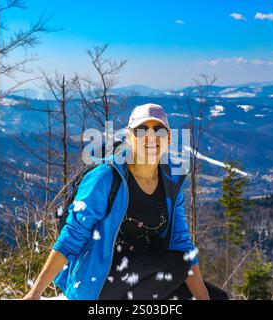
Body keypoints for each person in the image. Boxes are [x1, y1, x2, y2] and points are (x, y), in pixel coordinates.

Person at [24, 103, 226, 300]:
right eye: (141, 130)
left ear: (169, 137)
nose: (151, 136)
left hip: (145, 275)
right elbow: (72, 235)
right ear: (129, 136)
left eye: (159, 130)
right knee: (179, 263)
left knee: (218, 297)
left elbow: (180, 241)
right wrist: (35, 294)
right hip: (98, 281)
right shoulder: (106, 177)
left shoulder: (171, 182)